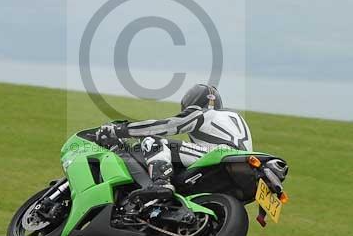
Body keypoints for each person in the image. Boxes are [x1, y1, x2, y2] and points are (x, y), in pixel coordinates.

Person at [95, 84, 252, 200]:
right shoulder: (232, 116)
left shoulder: (202, 113)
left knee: (154, 141)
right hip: (244, 167)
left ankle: (161, 183)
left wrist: (121, 130)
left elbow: (166, 126)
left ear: (191, 101)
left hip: (223, 156)